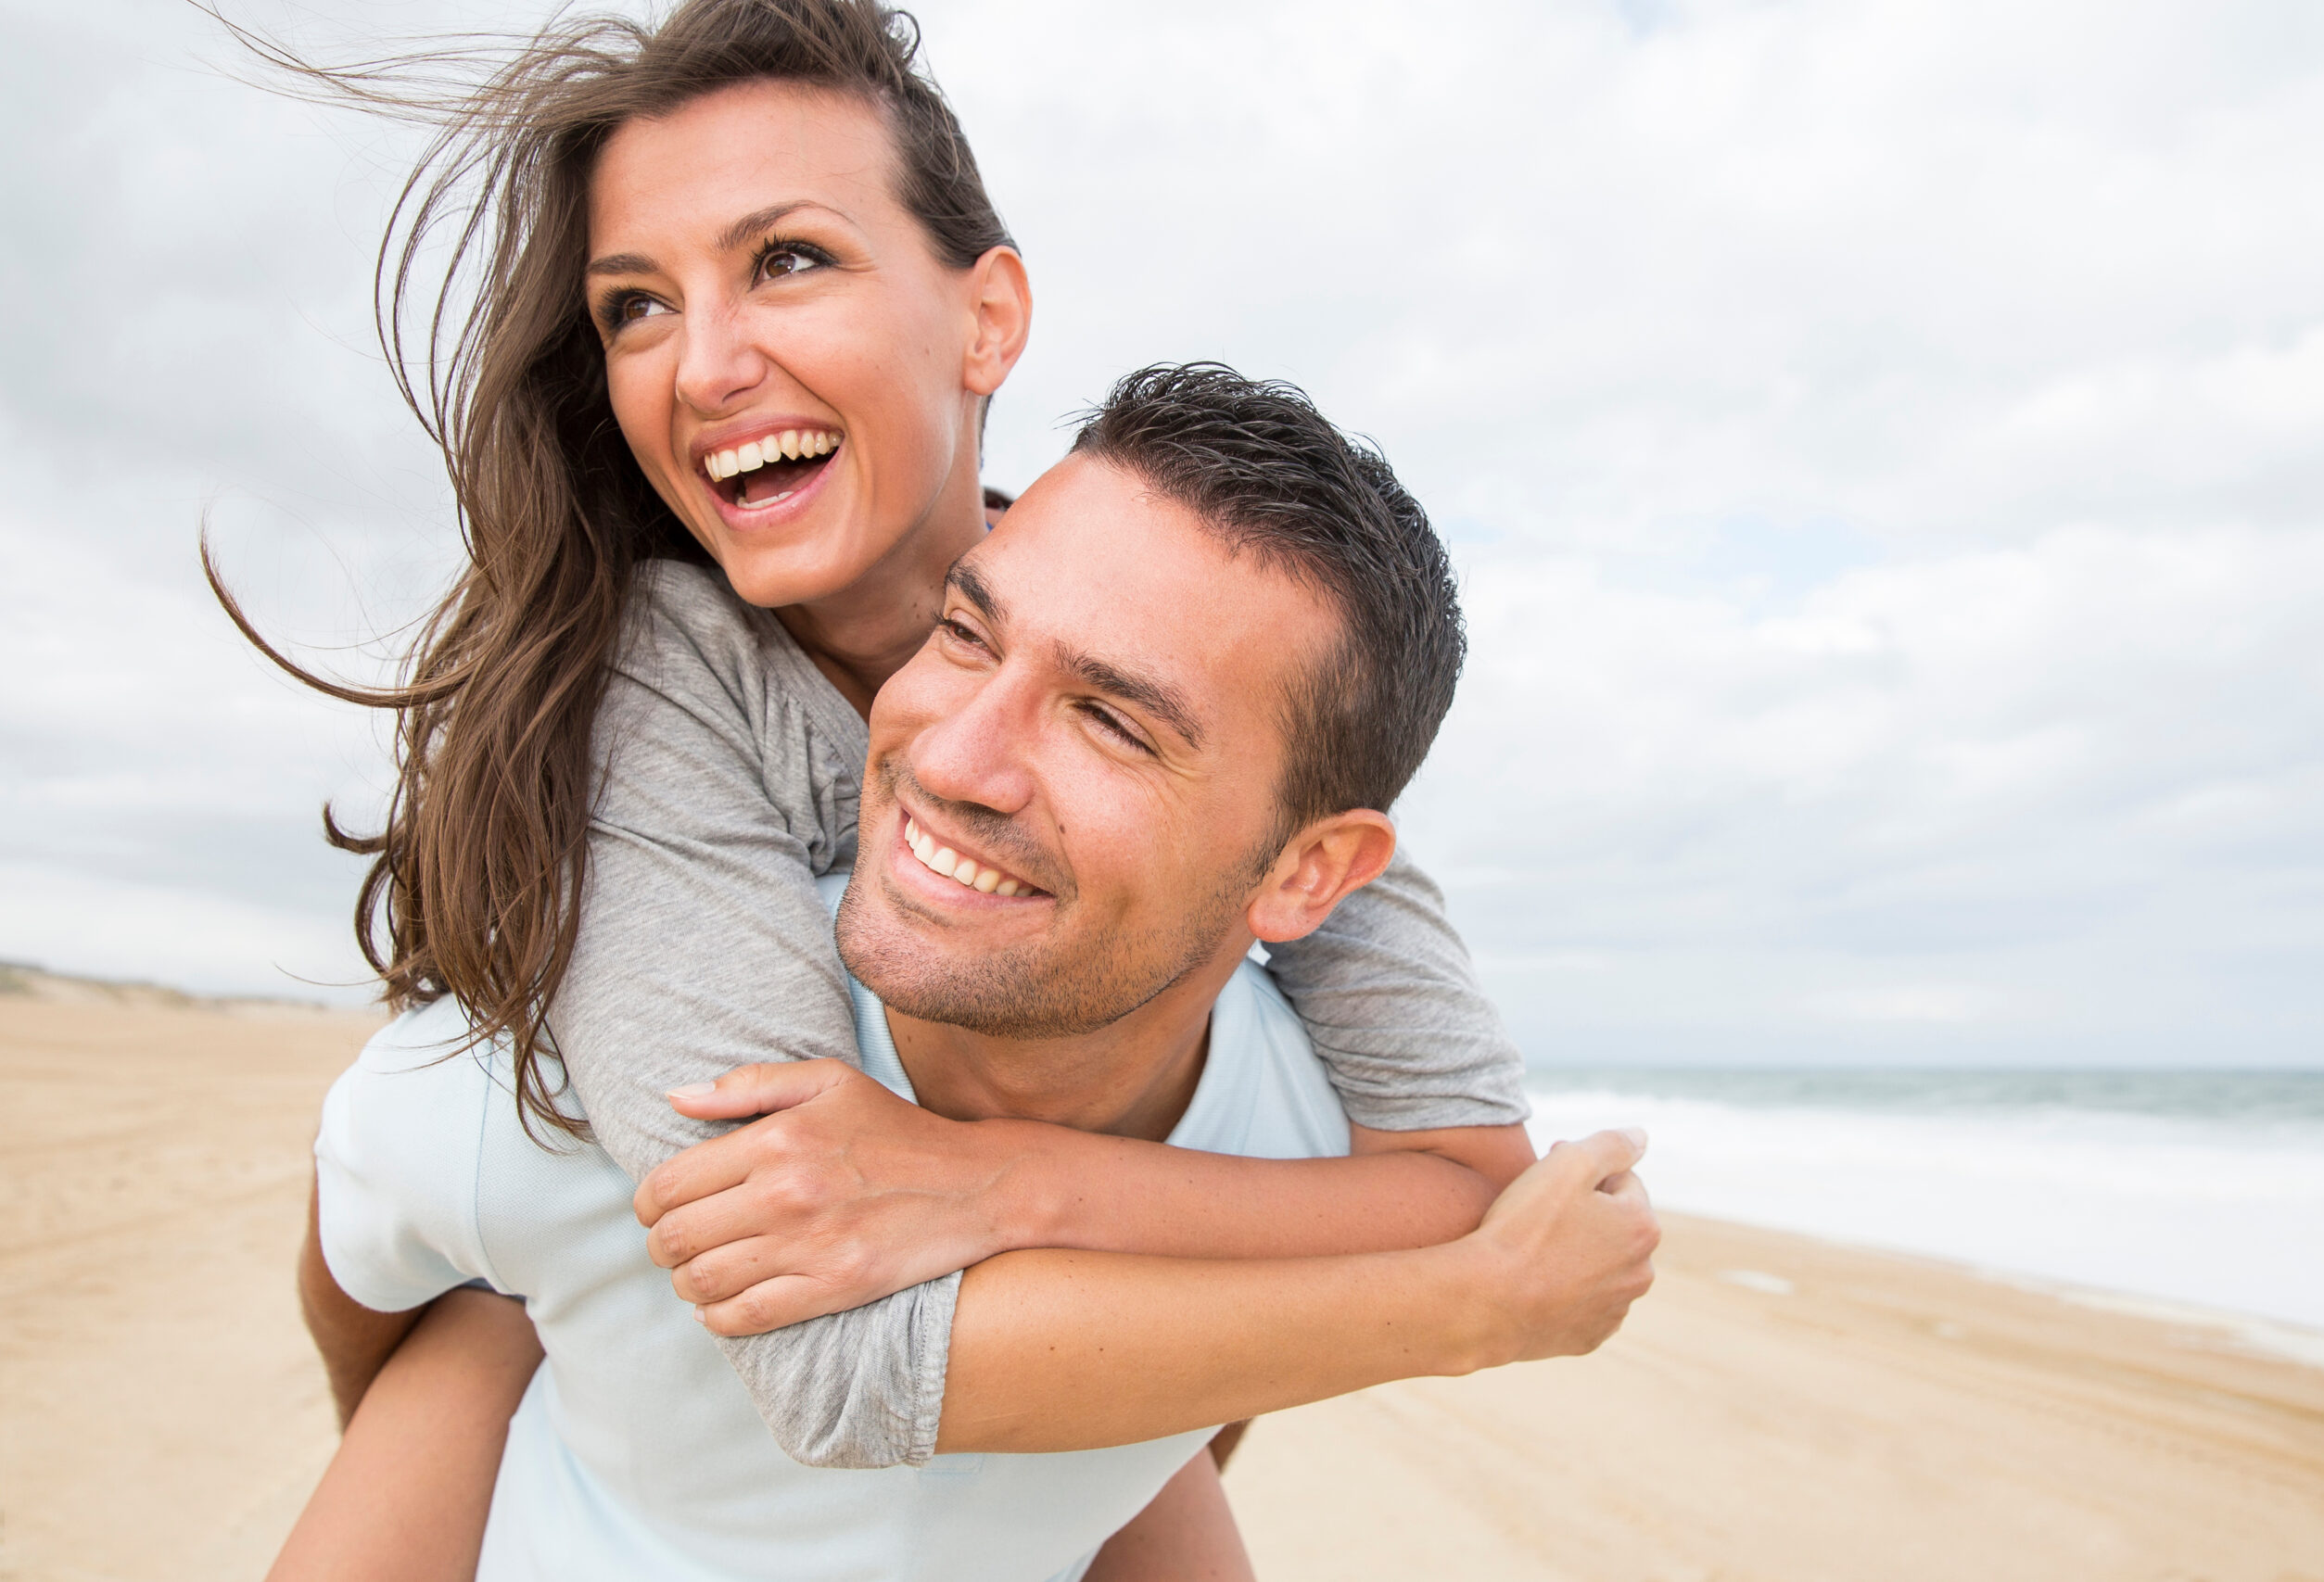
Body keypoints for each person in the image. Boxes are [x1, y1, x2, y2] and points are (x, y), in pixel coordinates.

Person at [208, 1, 1657, 1573]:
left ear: (987, 319)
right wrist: (479, 1373)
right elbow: (824, 1339)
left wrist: (998, 1185)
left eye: (786, 259)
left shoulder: (1186, 651)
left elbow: (1462, 1174)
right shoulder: (652, 700)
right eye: (634, 305)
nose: (702, 367)